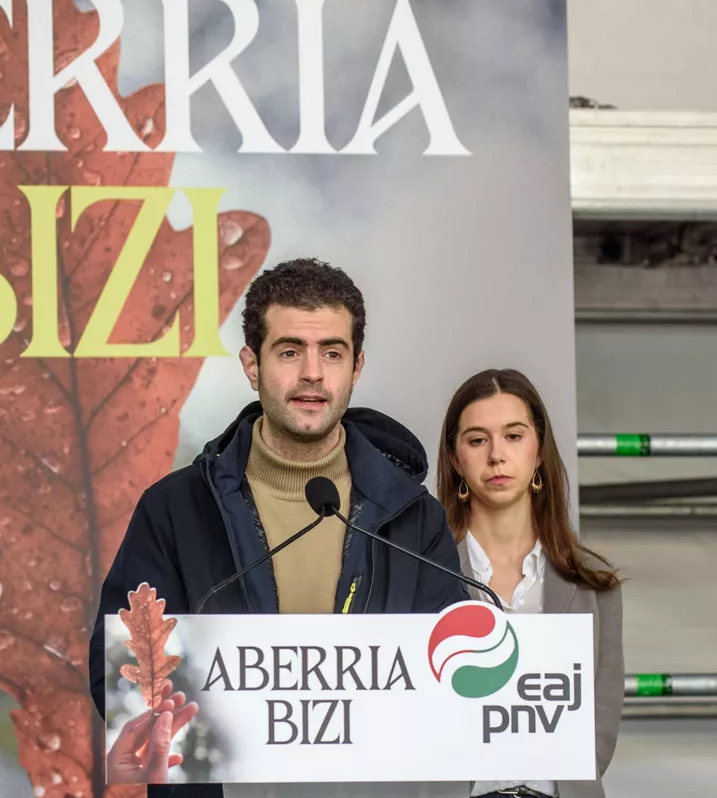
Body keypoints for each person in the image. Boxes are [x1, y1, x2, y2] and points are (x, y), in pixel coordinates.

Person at [90, 257, 470, 797]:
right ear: (252, 365)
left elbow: (452, 688)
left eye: (332, 353)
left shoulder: (415, 517)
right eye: (290, 351)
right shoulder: (175, 508)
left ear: (356, 367)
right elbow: (122, 672)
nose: (313, 373)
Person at [437, 369, 624, 798]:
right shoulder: (422, 573)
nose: (497, 456)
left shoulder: (594, 583)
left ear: (539, 451)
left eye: (514, 436)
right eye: (477, 439)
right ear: (454, 458)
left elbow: (599, 725)